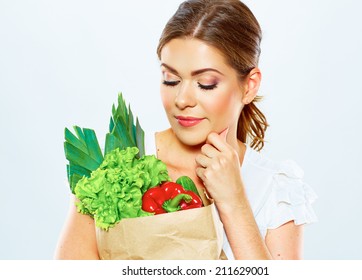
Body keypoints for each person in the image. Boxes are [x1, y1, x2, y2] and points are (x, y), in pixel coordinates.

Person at [55, 0, 317, 260]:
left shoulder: (276, 190)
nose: (182, 99)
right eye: (171, 79)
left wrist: (235, 203)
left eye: (205, 83)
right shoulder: (113, 169)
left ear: (249, 86)